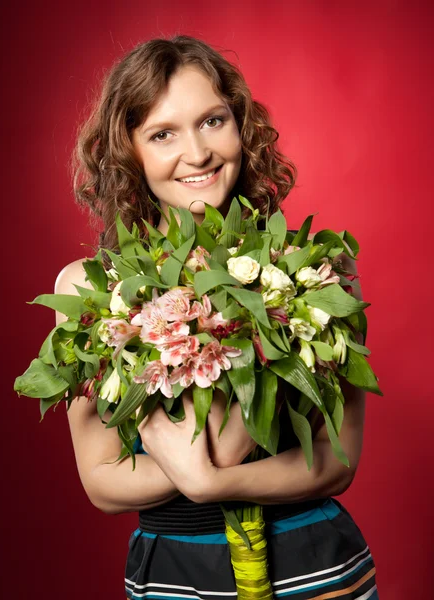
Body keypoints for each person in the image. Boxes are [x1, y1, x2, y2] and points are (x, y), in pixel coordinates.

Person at [54, 35, 379, 600]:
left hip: (317, 570)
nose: (198, 153)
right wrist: (200, 478)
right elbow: (102, 482)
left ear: (242, 126)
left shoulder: (316, 271)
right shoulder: (89, 289)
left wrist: (213, 481)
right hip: (172, 576)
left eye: (212, 121)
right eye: (162, 133)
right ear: (127, 150)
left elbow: (335, 459)